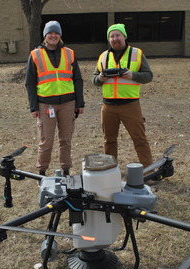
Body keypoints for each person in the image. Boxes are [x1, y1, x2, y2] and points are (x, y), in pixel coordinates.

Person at [25, 20, 84, 176]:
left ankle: (66, 170)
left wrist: (80, 103)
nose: (53, 35)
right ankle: (41, 172)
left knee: (65, 140)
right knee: (46, 141)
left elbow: (77, 79)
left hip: (68, 103)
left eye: (56, 33)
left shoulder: (69, 53)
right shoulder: (35, 55)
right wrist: (34, 107)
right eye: (50, 33)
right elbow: (30, 83)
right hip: (46, 105)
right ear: (45, 36)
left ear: (60, 35)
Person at [92, 23, 153, 169]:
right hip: (108, 106)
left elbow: (148, 76)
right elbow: (94, 80)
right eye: (111, 36)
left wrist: (133, 75)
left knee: (139, 139)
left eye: (118, 35)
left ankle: (149, 170)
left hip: (130, 105)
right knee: (109, 141)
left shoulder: (137, 54)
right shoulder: (103, 56)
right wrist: (100, 78)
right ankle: (110, 170)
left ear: (124, 36)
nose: (114, 38)